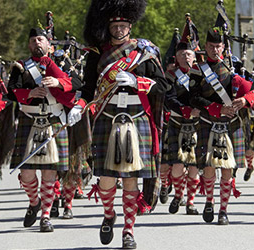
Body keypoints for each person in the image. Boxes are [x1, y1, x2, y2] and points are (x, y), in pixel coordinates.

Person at [82, 0, 168, 248]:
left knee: (131, 179)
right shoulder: (98, 54)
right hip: (107, 117)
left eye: (123, 25)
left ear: (130, 26)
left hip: (136, 116)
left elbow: (163, 86)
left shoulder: (145, 52)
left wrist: (136, 80)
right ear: (108, 27)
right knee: (107, 179)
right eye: (115, 26)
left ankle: (128, 231)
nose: (119, 30)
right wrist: (79, 106)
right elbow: (87, 89)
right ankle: (109, 214)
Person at [7, 27, 84, 232]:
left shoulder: (62, 62)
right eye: (32, 41)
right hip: (29, 118)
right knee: (26, 173)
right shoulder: (21, 66)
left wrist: (59, 82)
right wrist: (29, 92)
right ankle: (34, 202)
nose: (36, 43)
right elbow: (10, 91)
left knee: (49, 172)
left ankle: (46, 216)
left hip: (54, 118)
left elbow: (78, 82)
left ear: (49, 44)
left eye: (40, 40)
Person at [190, 27, 254, 225]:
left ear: (224, 46)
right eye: (211, 46)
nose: (215, 50)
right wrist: (216, 108)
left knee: (228, 168)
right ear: (205, 46)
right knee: (210, 166)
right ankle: (210, 201)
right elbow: (193, 98)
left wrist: (246, 100)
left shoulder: (235, 66)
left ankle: (223, 210)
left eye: (218, 46)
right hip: (208, 121)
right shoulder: (198, 68)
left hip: (232, 124)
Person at [163, 16, 202, 215]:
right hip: (178, 122)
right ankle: (178, 194)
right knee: (177, 166)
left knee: (194, 166)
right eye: (182, 54)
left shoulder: (203, 75)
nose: (186, 57)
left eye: (189, 54)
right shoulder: (170, 77)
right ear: (176, 57)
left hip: (197, 124)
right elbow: (169, 99)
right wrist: (187, 110)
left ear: (194, 56)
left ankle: (191, 203)